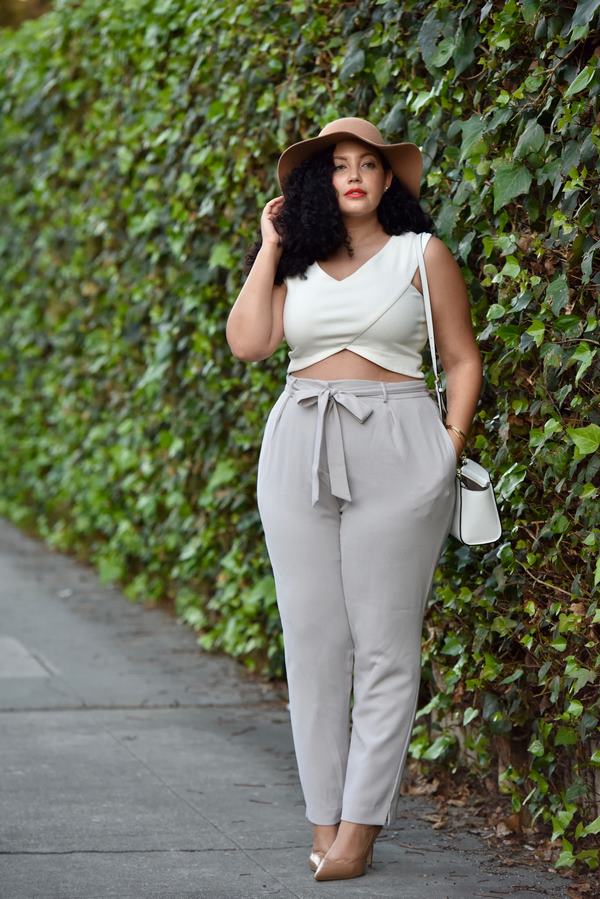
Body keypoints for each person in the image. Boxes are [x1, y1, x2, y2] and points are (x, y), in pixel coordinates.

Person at [226, 116, 483, 882]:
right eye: (339, 165)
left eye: (369, 164)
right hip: (299, 443)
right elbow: (249, 343)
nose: (355, 176)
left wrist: (447, 446)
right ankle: (323, 818)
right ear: (320, 180)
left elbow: (462, 358)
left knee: (385, 646)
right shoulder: (296, 261)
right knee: (311, 645)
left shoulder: (421, 253)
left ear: (387, 178)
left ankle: (361, 824)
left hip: (400, 445)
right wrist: (270, 245)